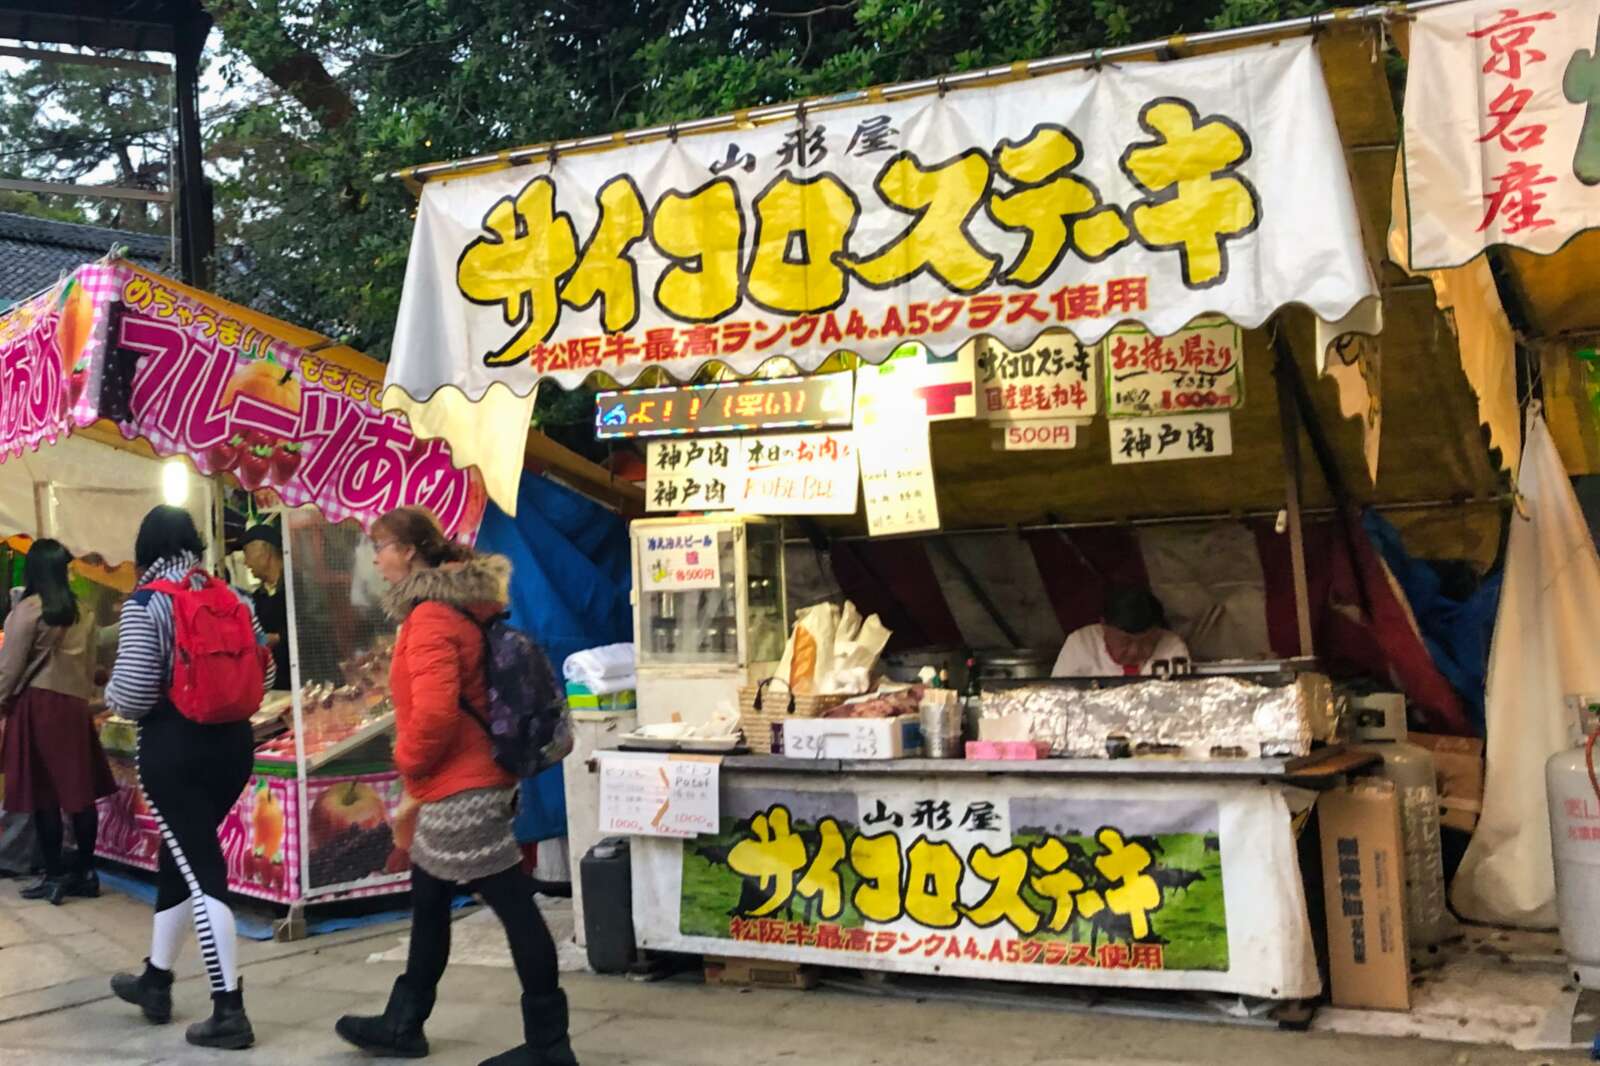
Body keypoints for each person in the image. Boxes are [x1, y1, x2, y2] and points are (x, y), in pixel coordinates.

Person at [335, 505, 574, 1066]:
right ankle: (403, 1022)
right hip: (470, 775)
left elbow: (437, 716)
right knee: (429, 898)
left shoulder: (430, 619)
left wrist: (406, 760)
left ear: (410, 552)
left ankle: (549, 1044)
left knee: (513, 904)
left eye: (383, 546)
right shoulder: (457, 606)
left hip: (460, 785)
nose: (376, 557)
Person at [104, 506, 275, 1051]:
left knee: (202, 870)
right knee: (179, 857)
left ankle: (230, 1009)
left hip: (174, 751)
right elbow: (264, 671)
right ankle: (156, 980)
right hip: (233, 749)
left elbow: (130, 693)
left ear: (145, 548)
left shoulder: (148, 601)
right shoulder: (235, 598)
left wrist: (112, 701)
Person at [0, 539, 116, 904]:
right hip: (74, 707)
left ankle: (53, 876)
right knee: (79, 793)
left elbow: (9, 669)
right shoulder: (84, 613)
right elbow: (89, 667)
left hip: (37, 706)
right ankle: (86, 872)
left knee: (44, 796)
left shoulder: (28, 611)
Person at [1051, 585, 1191, 677]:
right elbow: (1057, 696)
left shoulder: (1172, 648)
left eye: (1146, 641)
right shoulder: (1080, 645)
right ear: (1104, 626)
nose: (1134, 651)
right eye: (1126, 641)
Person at [239, 524, 291, 690]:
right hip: (274, 687)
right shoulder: (256, 598)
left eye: (247, 553)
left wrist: (279, 638)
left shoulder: (298, 586)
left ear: (264, 550)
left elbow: (318, 627)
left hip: (302, 680)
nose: (246, 563)